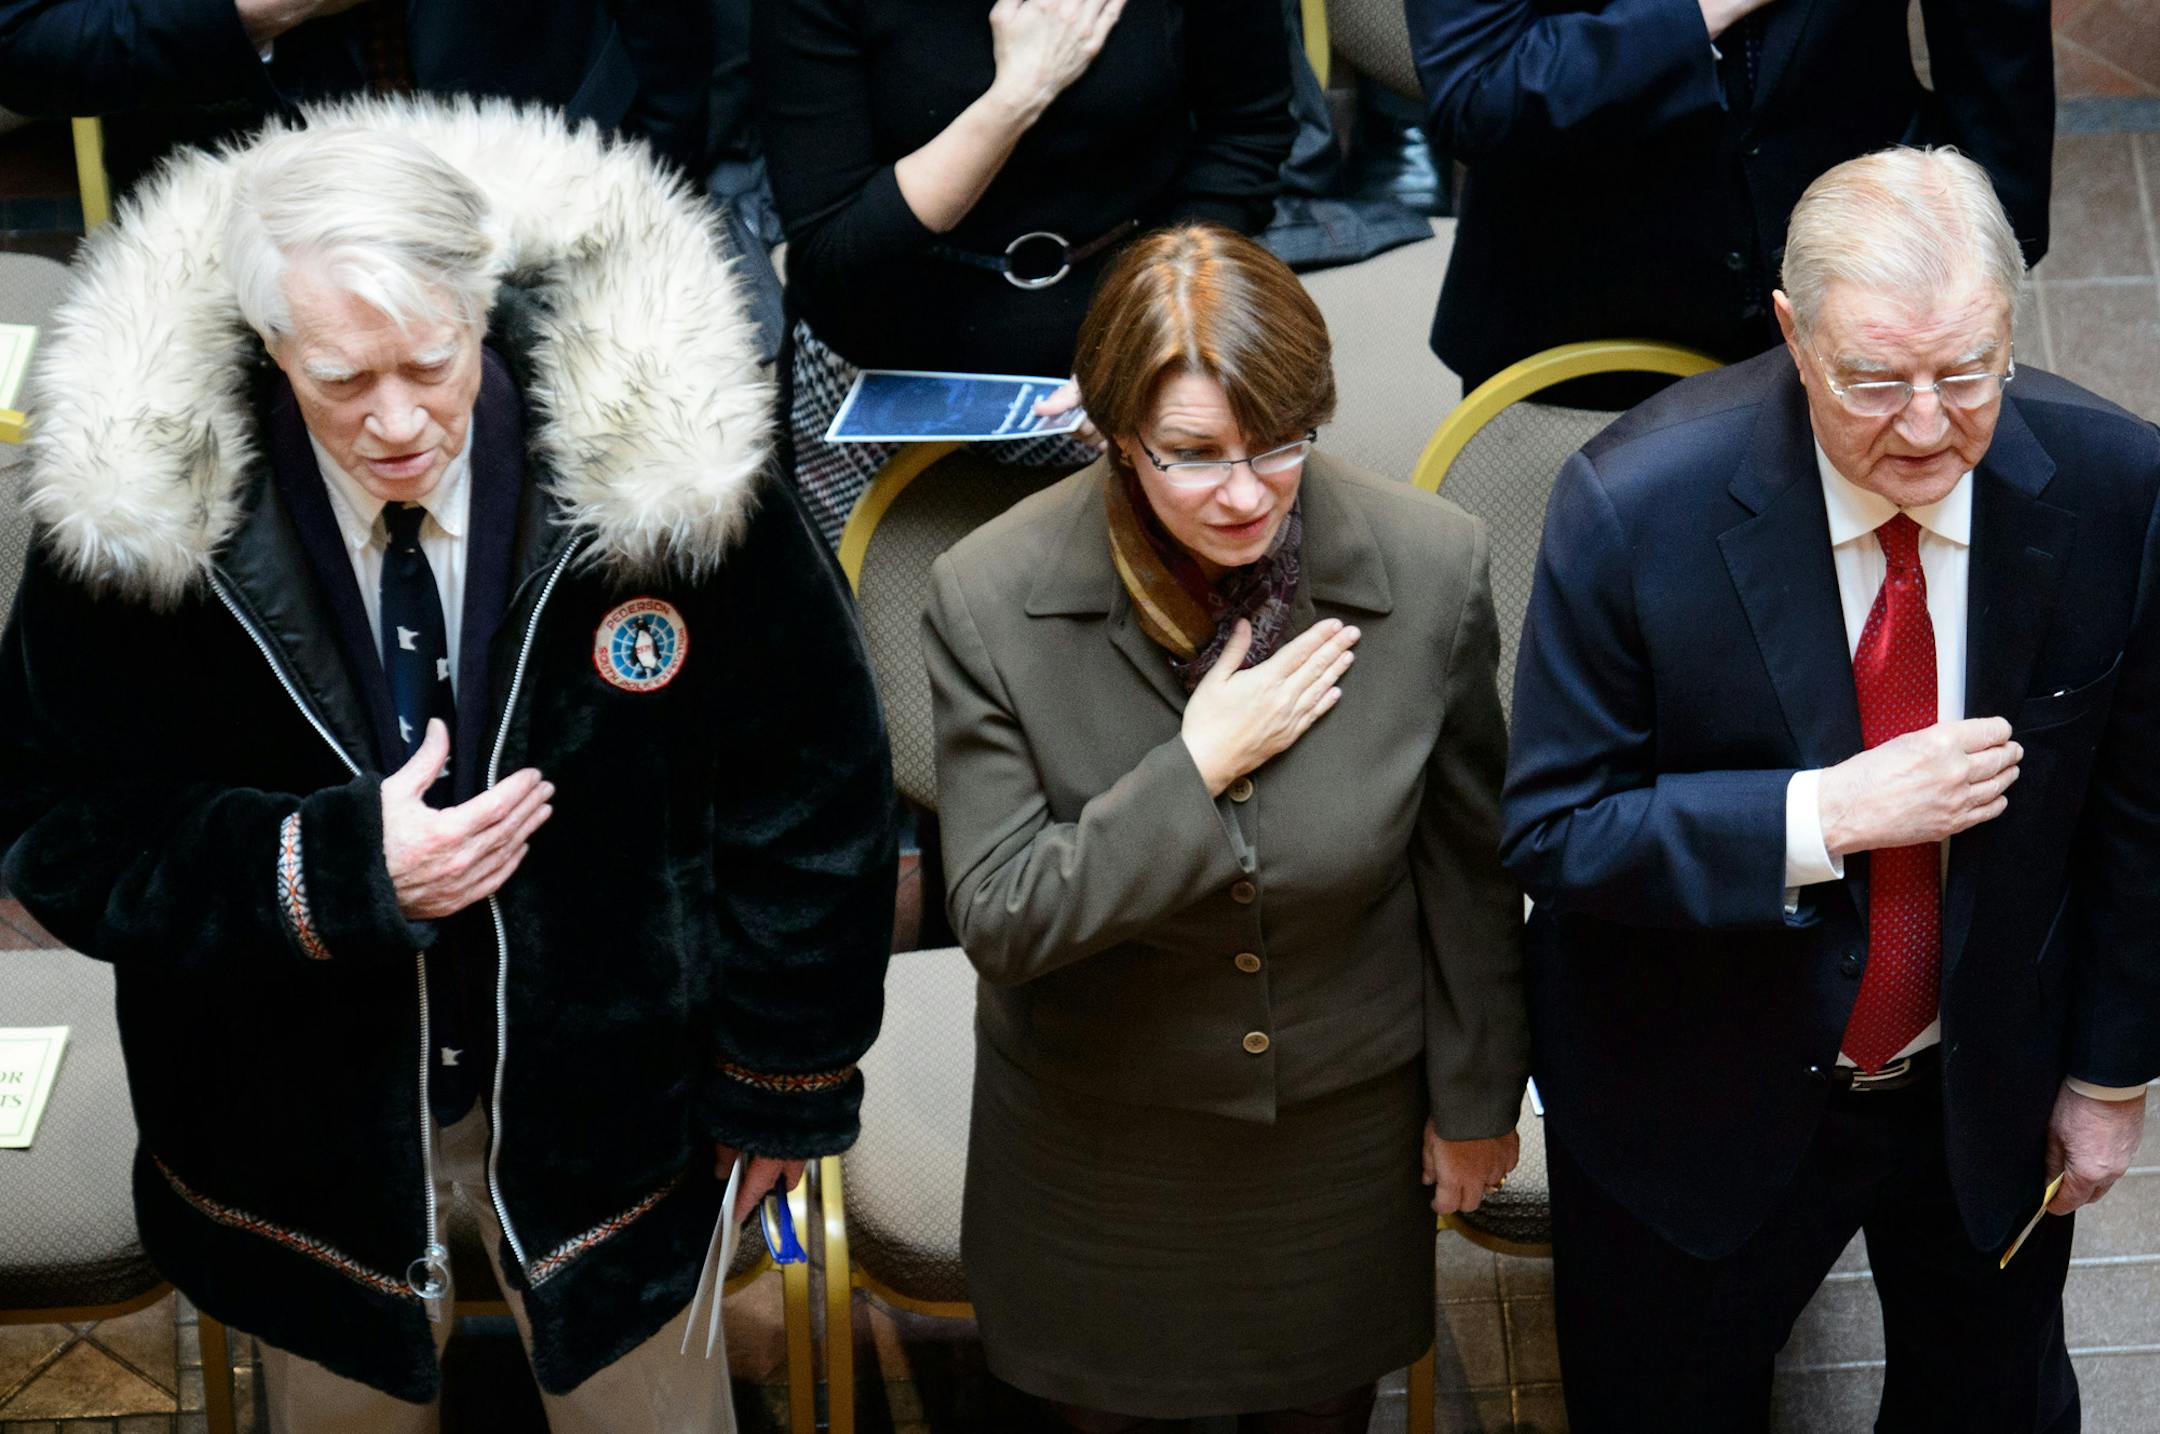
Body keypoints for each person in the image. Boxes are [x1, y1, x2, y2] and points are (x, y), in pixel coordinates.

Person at [0, 98, 894, 1431]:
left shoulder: (674, 461)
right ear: (267, 344)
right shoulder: (140, 513)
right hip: (301, 1134)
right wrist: (323, 871)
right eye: (341, 381)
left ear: (485, 303)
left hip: (626, 1113)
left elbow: (812, 784)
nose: (396, 421)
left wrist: (783, 1081)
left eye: (431, 362)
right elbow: (56, 824)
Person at [1501, 147, 2159, 1432]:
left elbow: (2138, 814)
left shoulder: (2114, 485)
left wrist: (2111, 1076)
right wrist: (1825, 816)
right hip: (1698, 1088)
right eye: (1874, 379)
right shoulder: (1635, 507)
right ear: (1792, 335)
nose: (1925, 425)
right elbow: (1556, 828)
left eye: (1966, 372)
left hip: (1983, 1088)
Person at [923, 223, 1528, 1431]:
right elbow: (1002, 915)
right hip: (1099, 1145)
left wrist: (1477, 1102)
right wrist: (1194, 768)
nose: (1246, 493)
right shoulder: (988, 594)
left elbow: (1466, 868)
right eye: (1194, 455)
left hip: (1334, 1148)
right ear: (1114, 435)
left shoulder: (1432, 565)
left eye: (1280, 443)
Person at [753, 0, 1295, 544]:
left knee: (1155, 585)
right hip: (882, 372)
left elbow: (1247, 131)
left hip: (1135, 339)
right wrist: (1020, 95)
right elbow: (833, 249)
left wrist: (1144, 333)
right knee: (857, 589)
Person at [1407, 0, 2053, 399]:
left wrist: (1991, 250)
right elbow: (1476, 93)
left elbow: (1996, 43)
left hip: (1875, 302)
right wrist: (1697, 12)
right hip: (1583, 316)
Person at [0, 0, 713, 179]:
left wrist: (651, 166)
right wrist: (249, 14)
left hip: (558, 169)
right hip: (246, 217)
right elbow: (23, 42)